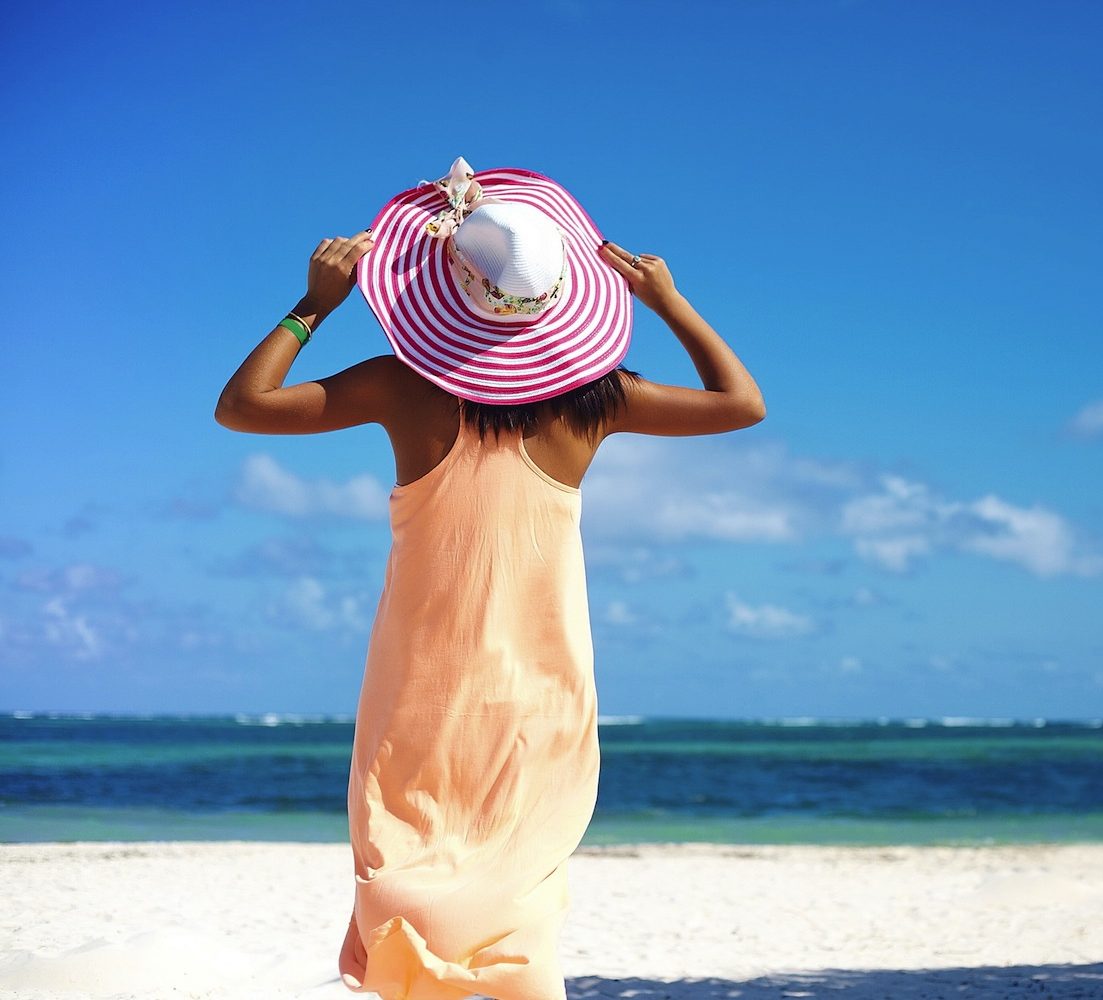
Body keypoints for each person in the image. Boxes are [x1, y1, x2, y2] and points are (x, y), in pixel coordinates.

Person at [213, 158, 763, 1000]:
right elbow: (740, 403)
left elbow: (242, 407)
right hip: (544, 684)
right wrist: (669, 302)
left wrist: (314, 305)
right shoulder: (600, 400)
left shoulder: (400, 386)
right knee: (518, 886)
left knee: (406, 860)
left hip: (421, 682)